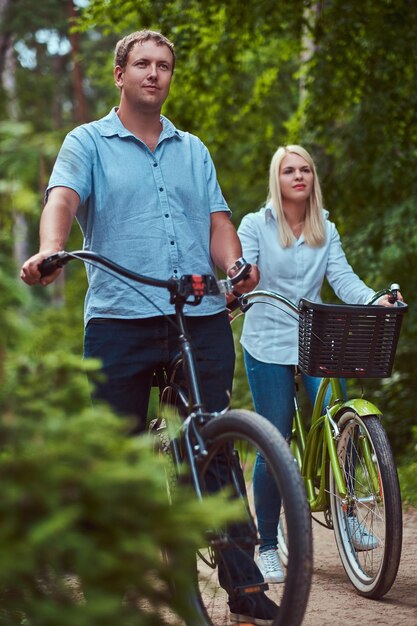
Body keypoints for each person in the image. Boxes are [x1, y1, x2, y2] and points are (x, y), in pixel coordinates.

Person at [20, 29, 279, 625]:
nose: (154, 74)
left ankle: (244, 591)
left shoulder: (194, 150)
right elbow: (61, 197)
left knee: (211, 446)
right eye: (142, 64)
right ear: (120, 74)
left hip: (198, 316)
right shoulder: (87, 141)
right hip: (120, 319)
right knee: (122, 456)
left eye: (164, 65)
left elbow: (216, 223)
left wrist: (235, 264)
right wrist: (52, 249)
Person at [237, 144, 402, 584]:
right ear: (277, 177)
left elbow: (342, 278)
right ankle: (267, 544)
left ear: (313, 178)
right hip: (267, 338)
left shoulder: (323, 228)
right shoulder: (255, 225)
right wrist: (236, 288)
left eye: (305, 169)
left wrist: (374, 299)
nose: (298, 176)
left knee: (339, 424)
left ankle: (346, 515)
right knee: (274, 436)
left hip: (316, 338)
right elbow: (245, 273)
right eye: (289, 169)